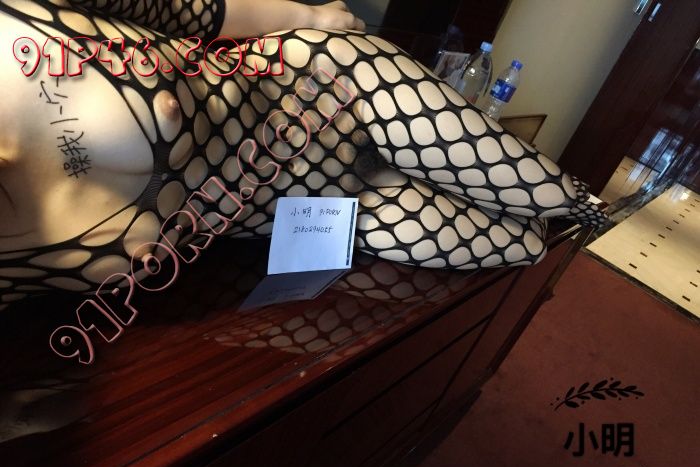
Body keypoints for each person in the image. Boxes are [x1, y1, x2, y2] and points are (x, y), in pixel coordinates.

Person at [0, 0, 607, 309]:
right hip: (312, 214)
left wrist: (309, 15)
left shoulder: (21, 18)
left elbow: (197, 11)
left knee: (562, 202)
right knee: (523, 245)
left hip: (332, 86)